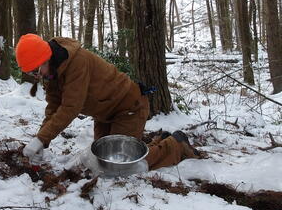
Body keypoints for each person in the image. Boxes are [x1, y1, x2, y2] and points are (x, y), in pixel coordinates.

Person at [15, 34, 199, 170]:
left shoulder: (76, 63)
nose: (38, 76)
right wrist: (42, 141)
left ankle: (175, 146)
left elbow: (70, 107)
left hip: (129, 108)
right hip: (104, 115)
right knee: (101, 162)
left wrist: (41, 139)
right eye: (32, 73)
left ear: (46, 58)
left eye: (37, 71)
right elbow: (53, 108)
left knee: (122, 167)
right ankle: (160, 141)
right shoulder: (53, 72)